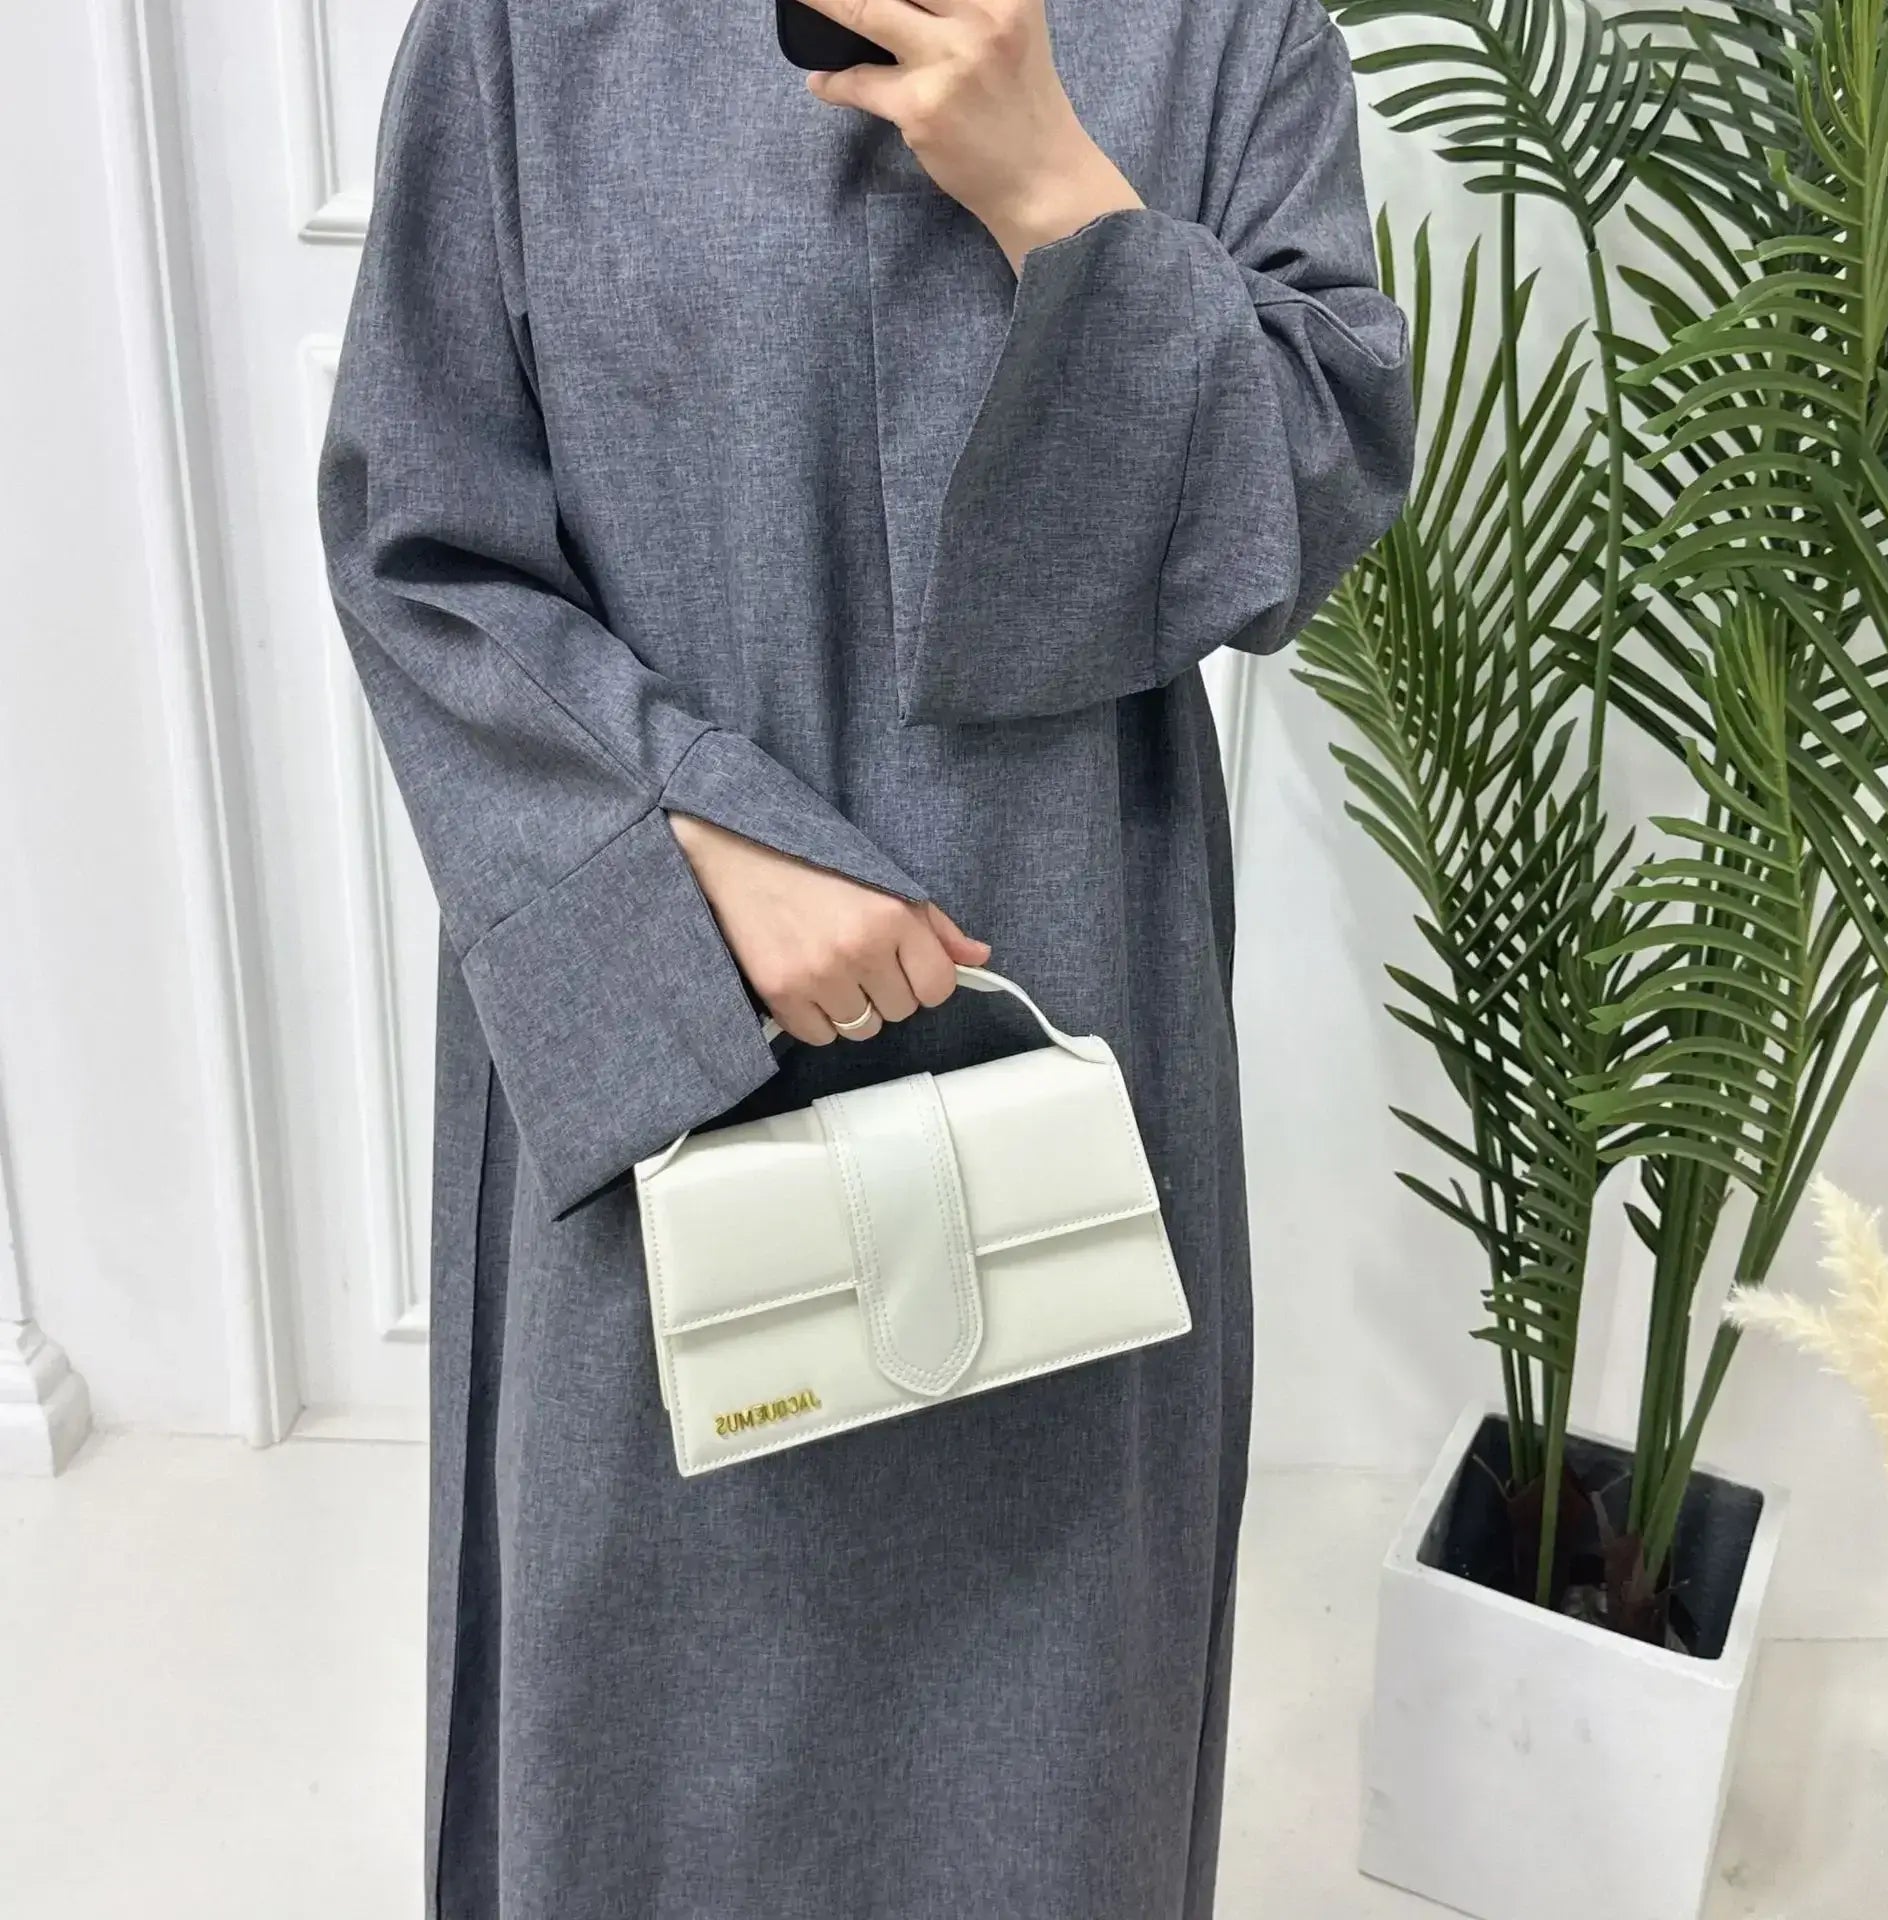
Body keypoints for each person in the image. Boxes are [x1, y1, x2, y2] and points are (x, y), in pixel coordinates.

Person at [316, 0, 1414, 1913]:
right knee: (638, 1722)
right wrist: (691, 840)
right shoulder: (520, 34)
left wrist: (1055, 193)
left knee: (1055, 1737)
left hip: (1060, 977)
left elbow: (1298, 517)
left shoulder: (1225, 33)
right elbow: (421, 538)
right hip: (653, 986)